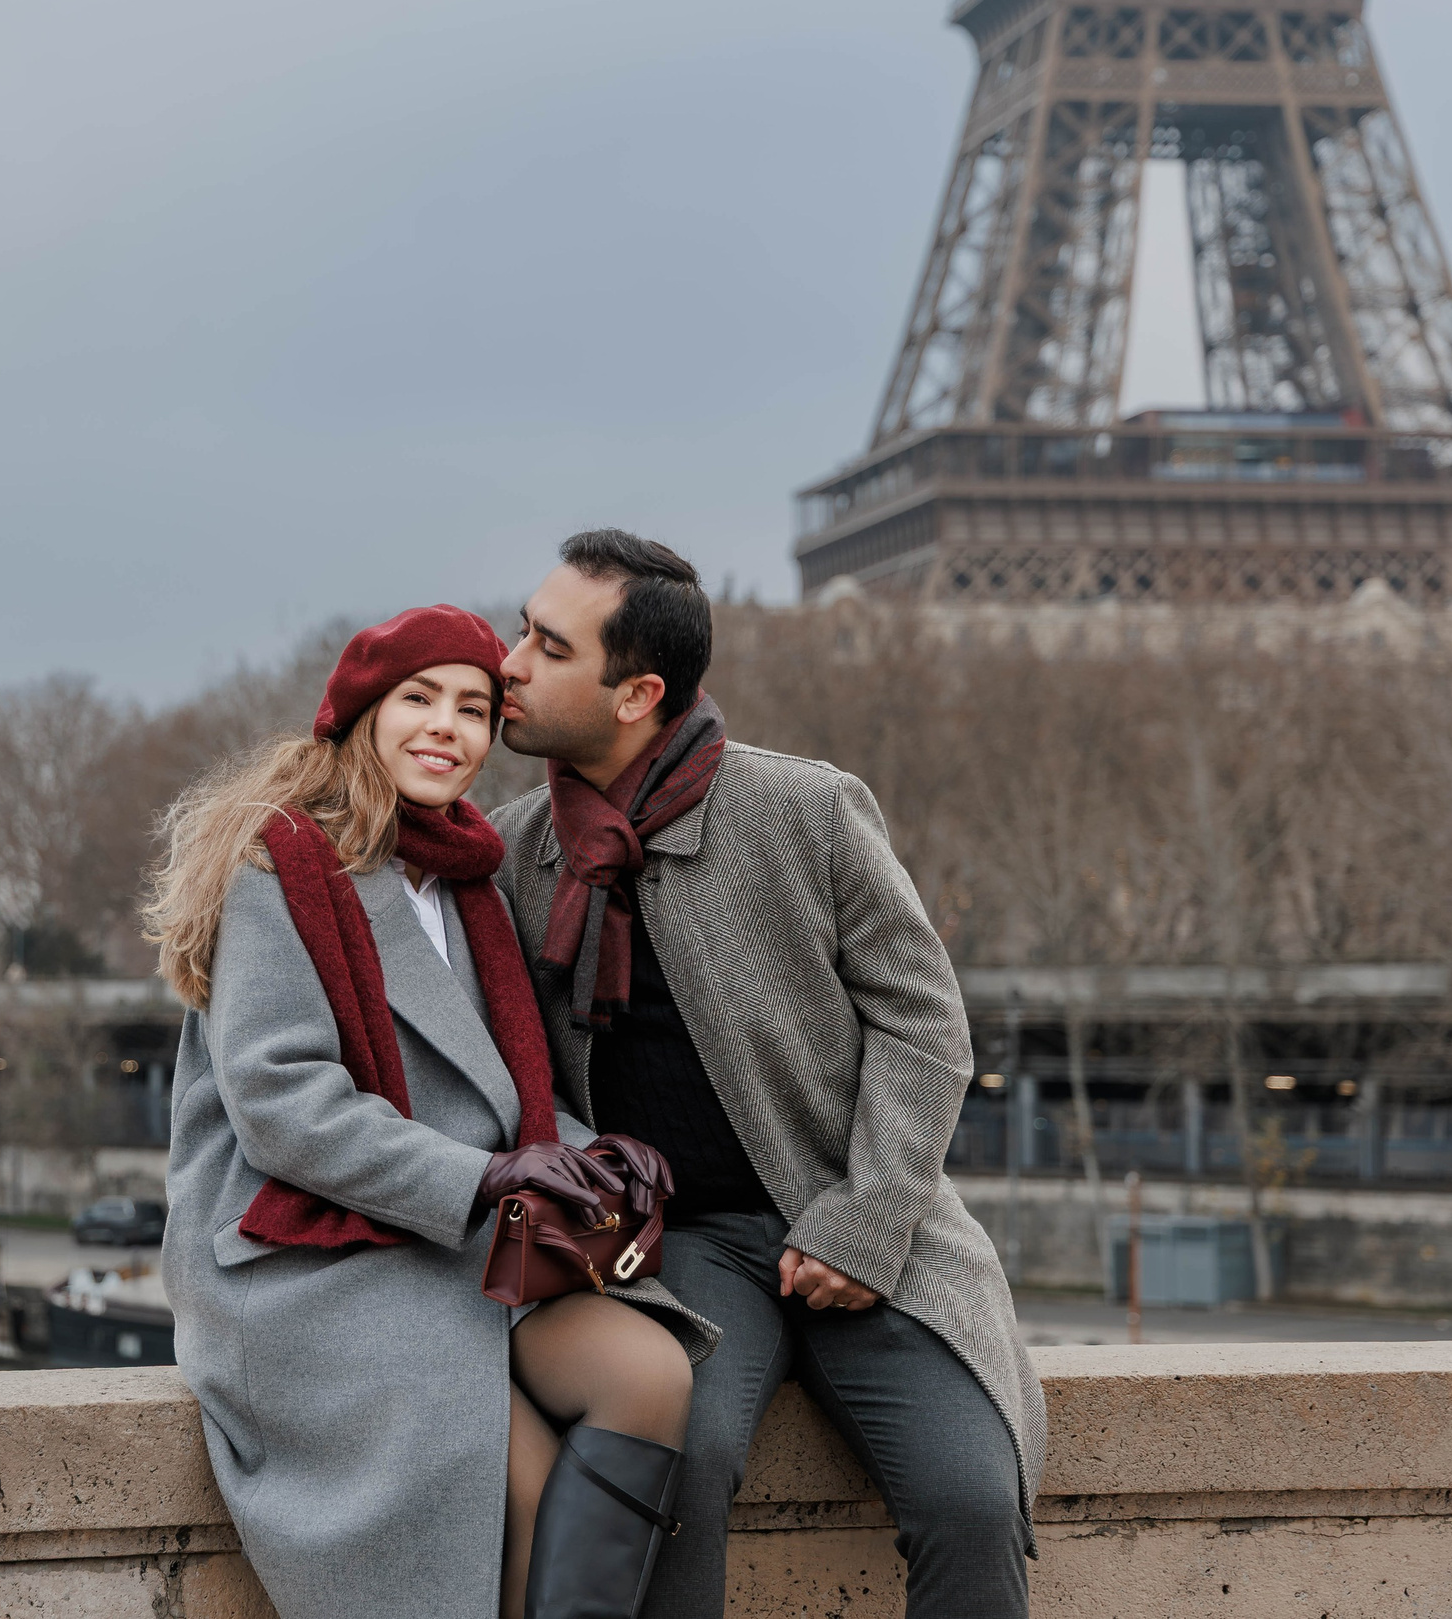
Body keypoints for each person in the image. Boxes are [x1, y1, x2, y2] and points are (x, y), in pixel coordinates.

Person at [492, 532, 1045, 1619]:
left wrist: (865, 1219)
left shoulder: (806, 809)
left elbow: (925, 1023)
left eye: (548, 647)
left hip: (866, 1221)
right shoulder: (515, 857)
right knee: (676, 1470)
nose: (508, 663)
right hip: (677, 1250)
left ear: (636, 694)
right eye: (523, 632)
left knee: (971, 1501)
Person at [150, 605, 715, 1619]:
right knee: (517, 1489)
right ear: (362, 710)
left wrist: (593, 1156)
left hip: (445, 1240)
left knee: (649, 1373)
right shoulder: (279, 865)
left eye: (472, 708)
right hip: (313, 1260)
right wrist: (485, 1176)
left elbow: (501, 1093)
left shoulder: (466, 883)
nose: (446, 727)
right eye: (419, 698)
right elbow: (283, 1105)